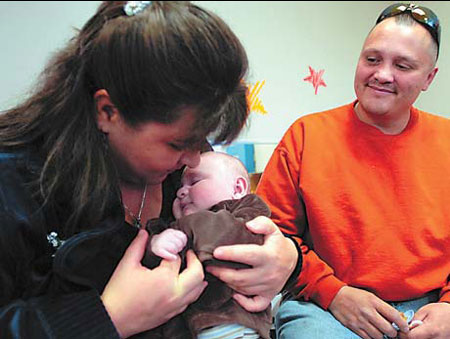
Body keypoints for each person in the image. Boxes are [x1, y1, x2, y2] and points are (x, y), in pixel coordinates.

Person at [0, 1, 299, 338]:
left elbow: (235, 224)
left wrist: (287, 259)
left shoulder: (184, 166)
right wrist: (110, 317)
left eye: (201, 140)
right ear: (107, 111)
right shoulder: (15, 185)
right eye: (177, 144)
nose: (195, 159)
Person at [256, 3, 450, 339]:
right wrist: (331, 292)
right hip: (325, 304)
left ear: (429, 78)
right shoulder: (306, 135)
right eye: (372, 59)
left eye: (403, 65)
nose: (382, 74)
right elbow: (270, 235)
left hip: (431, 306)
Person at [145, 151, 273, 339]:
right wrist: (155, 245)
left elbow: (221, 239)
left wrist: (180, 231)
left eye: (194, 182)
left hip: (234, 323)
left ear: (238, 188)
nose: (180, 192)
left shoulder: (250, 211)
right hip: (183, 328)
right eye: (180, 187)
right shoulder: (172, 227)